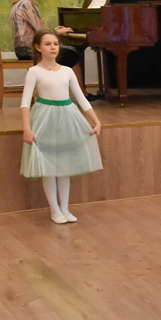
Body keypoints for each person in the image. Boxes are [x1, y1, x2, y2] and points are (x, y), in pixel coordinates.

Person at [20, 29, 103, 224]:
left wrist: (96, 121)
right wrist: (27, 128)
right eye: (47, 44)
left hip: (67, 116)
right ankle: (54, 209)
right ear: (38, 47)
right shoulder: (34, 72)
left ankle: (65, 208)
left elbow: (81, 98)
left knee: (64, 165)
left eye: (55, 44)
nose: (53, 47)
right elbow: (24, 103)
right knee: (49, 165)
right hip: (45, 119)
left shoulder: (67, 71)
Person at [10, 0, 90, 97]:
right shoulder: (26, 4)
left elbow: (39, 30)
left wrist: (54, 31)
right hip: (28, 50)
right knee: (71, 53)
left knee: (67, 52)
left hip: (22, 49)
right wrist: (56, 32)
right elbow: (40, 31)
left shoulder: (17, 5)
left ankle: (61, 91)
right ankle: (82, 95)